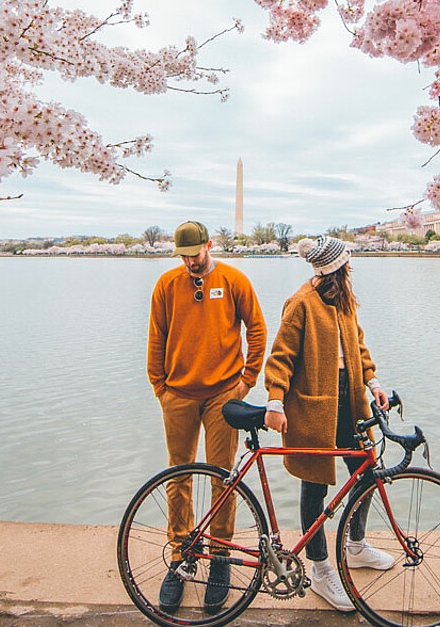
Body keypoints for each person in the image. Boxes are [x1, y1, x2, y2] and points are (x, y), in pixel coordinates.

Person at [261, 236, 395, 612]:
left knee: (367, 474)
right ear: (336, 268)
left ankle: (355, 545)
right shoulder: (301, 302)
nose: (350, 269)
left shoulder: (345, 302)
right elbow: (281, 356)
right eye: (347, 264)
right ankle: (320, 567)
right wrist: (275, 400)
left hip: (349, 401)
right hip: (312, 407)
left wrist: (374, 383)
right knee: (314, 485)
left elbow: (359, 346)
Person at [146, 220, 267, 613]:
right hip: (177, 394)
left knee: (222, 476)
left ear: (209, 246)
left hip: (222, 395)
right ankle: (182, 556)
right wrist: (159, 387)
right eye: (183, 258)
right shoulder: (167, 285)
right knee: (177, 475)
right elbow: (156, 337)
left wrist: (246, 381)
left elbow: (258, 330)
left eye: (195, 256)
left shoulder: (234, 279)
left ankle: (220, 558)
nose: (190, 264)